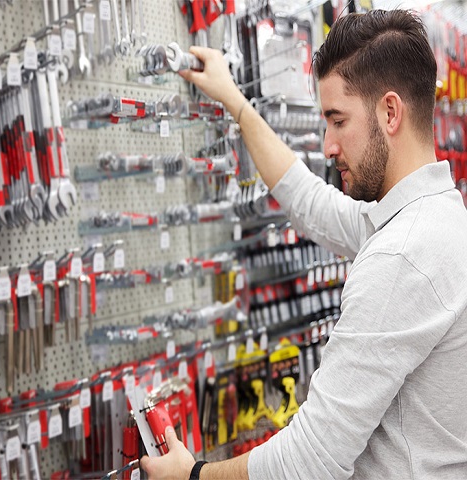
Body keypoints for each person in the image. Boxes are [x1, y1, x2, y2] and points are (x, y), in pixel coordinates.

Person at [141, 9, 467, 480]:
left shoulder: (402, 258)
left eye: (337, 121)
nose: (328, 146)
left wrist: (193, 475)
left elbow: (310, 460)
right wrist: (235, 100)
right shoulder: (435, 219)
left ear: (389, 112)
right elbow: (309, 201)